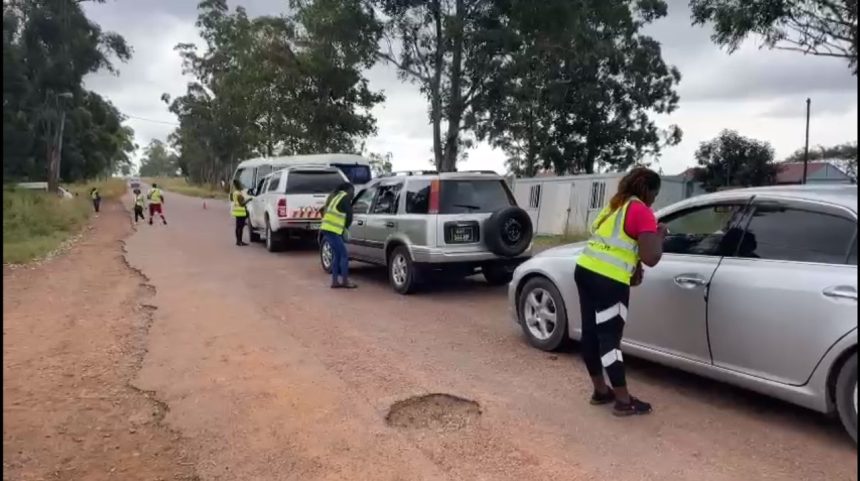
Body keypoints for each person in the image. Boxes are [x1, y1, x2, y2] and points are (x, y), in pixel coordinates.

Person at [574, 167, 667, 416]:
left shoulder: (615, 206)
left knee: (591, 333)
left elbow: (620, 244)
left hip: (585, 270)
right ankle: (624, 401)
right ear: (648, 190)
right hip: (609, 281)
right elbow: (651, 257)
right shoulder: (642, 211)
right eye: (655, 194)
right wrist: (659, 235)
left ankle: (600, 391)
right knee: (609, 339)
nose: (655, 200)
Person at [320, 182, 356, 288]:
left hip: (328, 229)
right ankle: (345, 281)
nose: (353, 194)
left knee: (337, 255)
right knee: (344, 255)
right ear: (348, 190)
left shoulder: (337, 196)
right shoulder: (345, 198)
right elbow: (349, 216)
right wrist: (345, 229)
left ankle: (335, 281)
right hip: (332, 230)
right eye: (353, 191)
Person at [231, 180, 251, 246]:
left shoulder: (234, 193)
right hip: (241, 212)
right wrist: (249, 200)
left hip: (237, 211)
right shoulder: (239, 193)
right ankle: (240, 241)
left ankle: (238, 241)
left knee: (237, 227)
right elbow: (242, 204)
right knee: (240, 227)